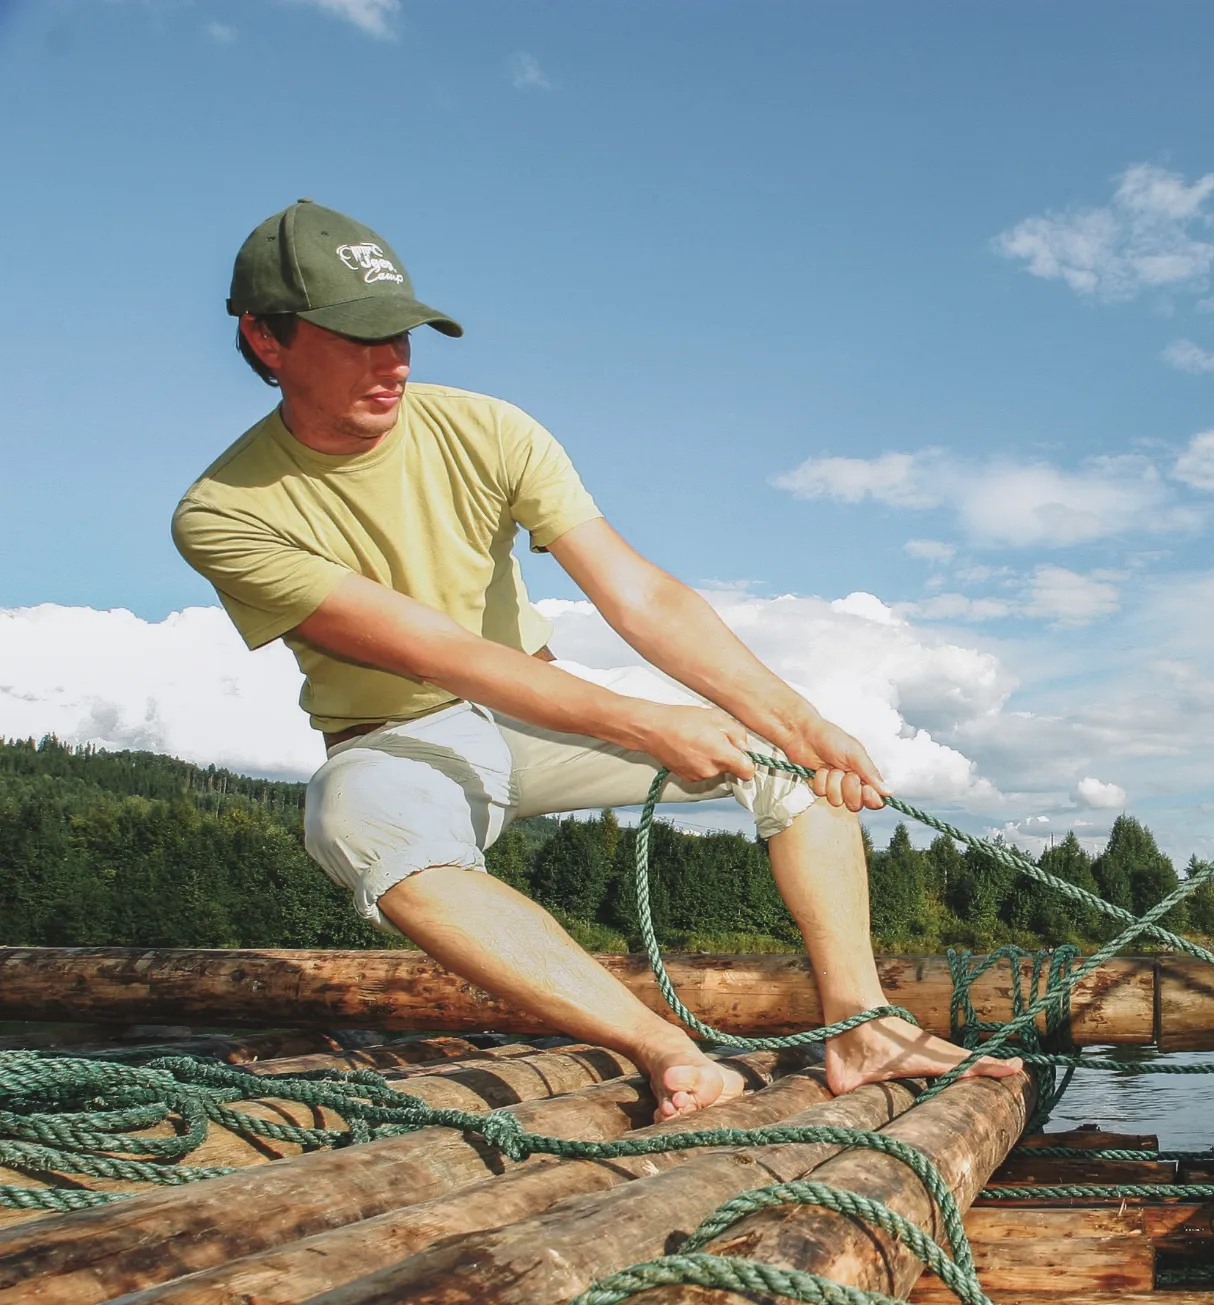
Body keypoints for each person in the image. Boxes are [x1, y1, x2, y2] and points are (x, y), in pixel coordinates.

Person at [175, 200, 1019, 1120]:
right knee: (355, 826)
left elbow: (639, 594)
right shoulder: (222, 512)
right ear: (267, 338)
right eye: (355, 336)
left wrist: (801, 723)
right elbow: (443, 653)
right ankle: (664, 1049)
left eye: (403, 335)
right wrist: (648, 722)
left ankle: (864, 1026)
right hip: (398, 738)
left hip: (539, 710)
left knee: (792, 764)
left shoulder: (490, 429)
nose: (393, 363)